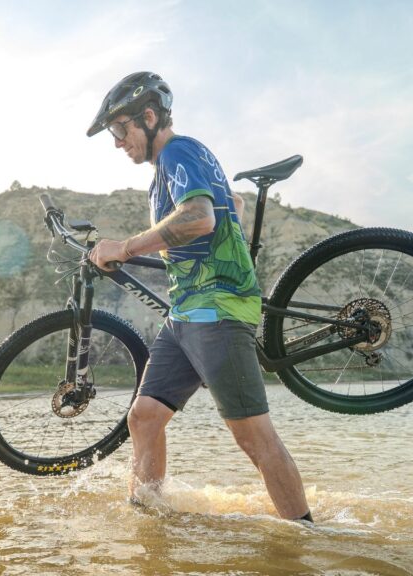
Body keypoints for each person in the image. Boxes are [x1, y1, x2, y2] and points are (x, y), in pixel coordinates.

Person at [86, 72, 313, 522]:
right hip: (185, 314)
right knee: (144, 417)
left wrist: (125, 248)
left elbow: (199, 217)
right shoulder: (165, 172)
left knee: (253, 436)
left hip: (218, 311)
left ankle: (307, 540)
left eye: (120, 129)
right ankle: (149, 522)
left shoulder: (179, 150)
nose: (117, 142)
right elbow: (227, 206)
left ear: (148, 117)